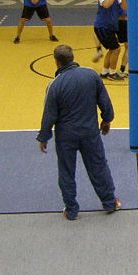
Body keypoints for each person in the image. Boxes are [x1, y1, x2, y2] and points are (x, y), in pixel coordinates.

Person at [37, 44, 121, 221]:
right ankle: (109, 202)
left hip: (66, 136)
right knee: (98, 166)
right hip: (90, 132)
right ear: (72, 57)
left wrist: (44, 137)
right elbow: (104, 100)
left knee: (66, 172)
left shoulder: (54, 85)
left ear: (56, 62)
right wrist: (107, 119)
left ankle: (71, 210)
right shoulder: (91, 75)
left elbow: (49, 115)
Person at [94, 0, 127, 80]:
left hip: (110, 26)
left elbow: (124, 8)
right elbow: (106, 5)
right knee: (116, 49)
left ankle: (104, 72)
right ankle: (112, 73)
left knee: (112, 49)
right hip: (102, 26)